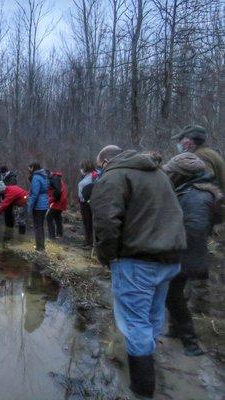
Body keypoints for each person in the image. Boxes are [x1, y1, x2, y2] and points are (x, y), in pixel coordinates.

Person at [90, 145, 186, 399]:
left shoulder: (113, 176)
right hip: (169, 256)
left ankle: (142, 389)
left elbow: (106, 224)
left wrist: (107, 256)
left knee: (135, 323)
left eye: (100, 166)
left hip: (137, 261)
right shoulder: (158, 173)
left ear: (106, 161)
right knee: (153, 315)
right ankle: (150, 364)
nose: (100, 170)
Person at [162, 153, 222, 356]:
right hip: (183, 253)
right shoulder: (191, 191)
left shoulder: (197, 196)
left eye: (171, 172)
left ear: (181, 175)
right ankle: (177, 332)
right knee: (174, 296)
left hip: (184, 255)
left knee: (173, 296)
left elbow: (194, 230)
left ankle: (191, 344)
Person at [172, 125, 225, 192]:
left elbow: (205, 184)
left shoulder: (200, 156)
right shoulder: (208, 152)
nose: (178, 143)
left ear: (188, 142)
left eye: (180, 140)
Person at [27, 162, 49, 251]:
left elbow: (34, 194)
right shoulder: (44, 176)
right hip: (44, 204)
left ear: (33, 168)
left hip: (38, 205)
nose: (29, 169)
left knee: (37, 226)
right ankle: (41, 246)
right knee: (41, 226)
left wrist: (30, 206)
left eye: (30, 168)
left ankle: (39, 247)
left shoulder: (36, 177)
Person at [78, 161, 98, 247]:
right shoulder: (85, 176)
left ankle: (90, 242)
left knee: (89, 223)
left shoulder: (94, 176)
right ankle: (88, 241)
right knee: (86, 222)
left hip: (88, 203)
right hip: (83, 202)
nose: (80, 170)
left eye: (82, 167)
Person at [46, 170, 68, 239]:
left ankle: (52, 236)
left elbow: (57, 191)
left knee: (49, 217)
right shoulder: (57, 178)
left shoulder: (54, 178)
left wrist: (51, 200)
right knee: (57, 217)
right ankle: (59, 234)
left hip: (58, 201)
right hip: (61, 200)